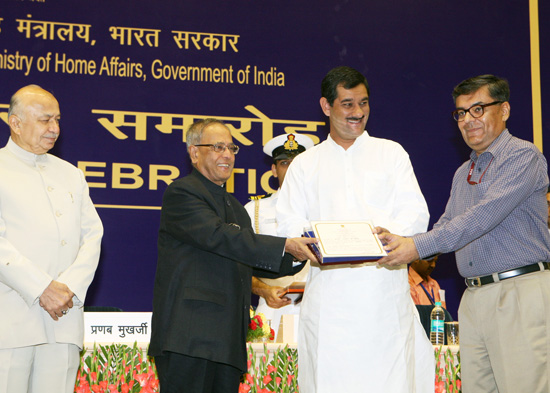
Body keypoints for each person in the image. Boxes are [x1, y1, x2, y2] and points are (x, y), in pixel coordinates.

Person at [377, 74, 550, 393]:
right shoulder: (463, 173)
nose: (468, 120)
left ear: (505, 110)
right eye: (461, 113)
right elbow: (447, 226)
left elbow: (480, 218)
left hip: (518, 292)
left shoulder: (523, 157)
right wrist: (392, 243)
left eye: (478, 109)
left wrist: (414, 246)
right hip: (474, 298)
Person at [276, 66, 433, 392]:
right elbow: (288, 220)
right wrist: (310, 244)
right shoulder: (306, 164)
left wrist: (391, 237)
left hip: (383, 296)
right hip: (329, 303)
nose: (358, 112)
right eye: (348, 104)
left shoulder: (391, 154)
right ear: (326, 106)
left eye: (363, 103)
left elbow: (416, 213)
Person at [148, 119, 317, 393]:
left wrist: (303, 254)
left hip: (227, 343)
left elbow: (250, 259)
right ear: (194, 152)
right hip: (190, 338)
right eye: (217, 147)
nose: (227, 154)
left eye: (231, 148)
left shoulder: (236, 209)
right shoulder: (182, 192)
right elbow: (220, 237)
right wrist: (286, 245)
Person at [0, 85, 103, 393]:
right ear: (15, 123)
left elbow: (93, 236)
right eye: (45, 120)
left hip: (64, 319)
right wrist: (41, 287)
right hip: (11, 319)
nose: (55, 128)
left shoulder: (71, 174)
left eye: (57, 120)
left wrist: (67, 288)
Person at [244, 133, 314, 340]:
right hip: (272, 309)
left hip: (319, 309)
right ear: (274, 170)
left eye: (297, 163)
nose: (291, 169)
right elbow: (237, 265)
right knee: (269, 371)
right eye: (284, 163)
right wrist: (264, 290)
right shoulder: (254, 209)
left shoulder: (328, 209)